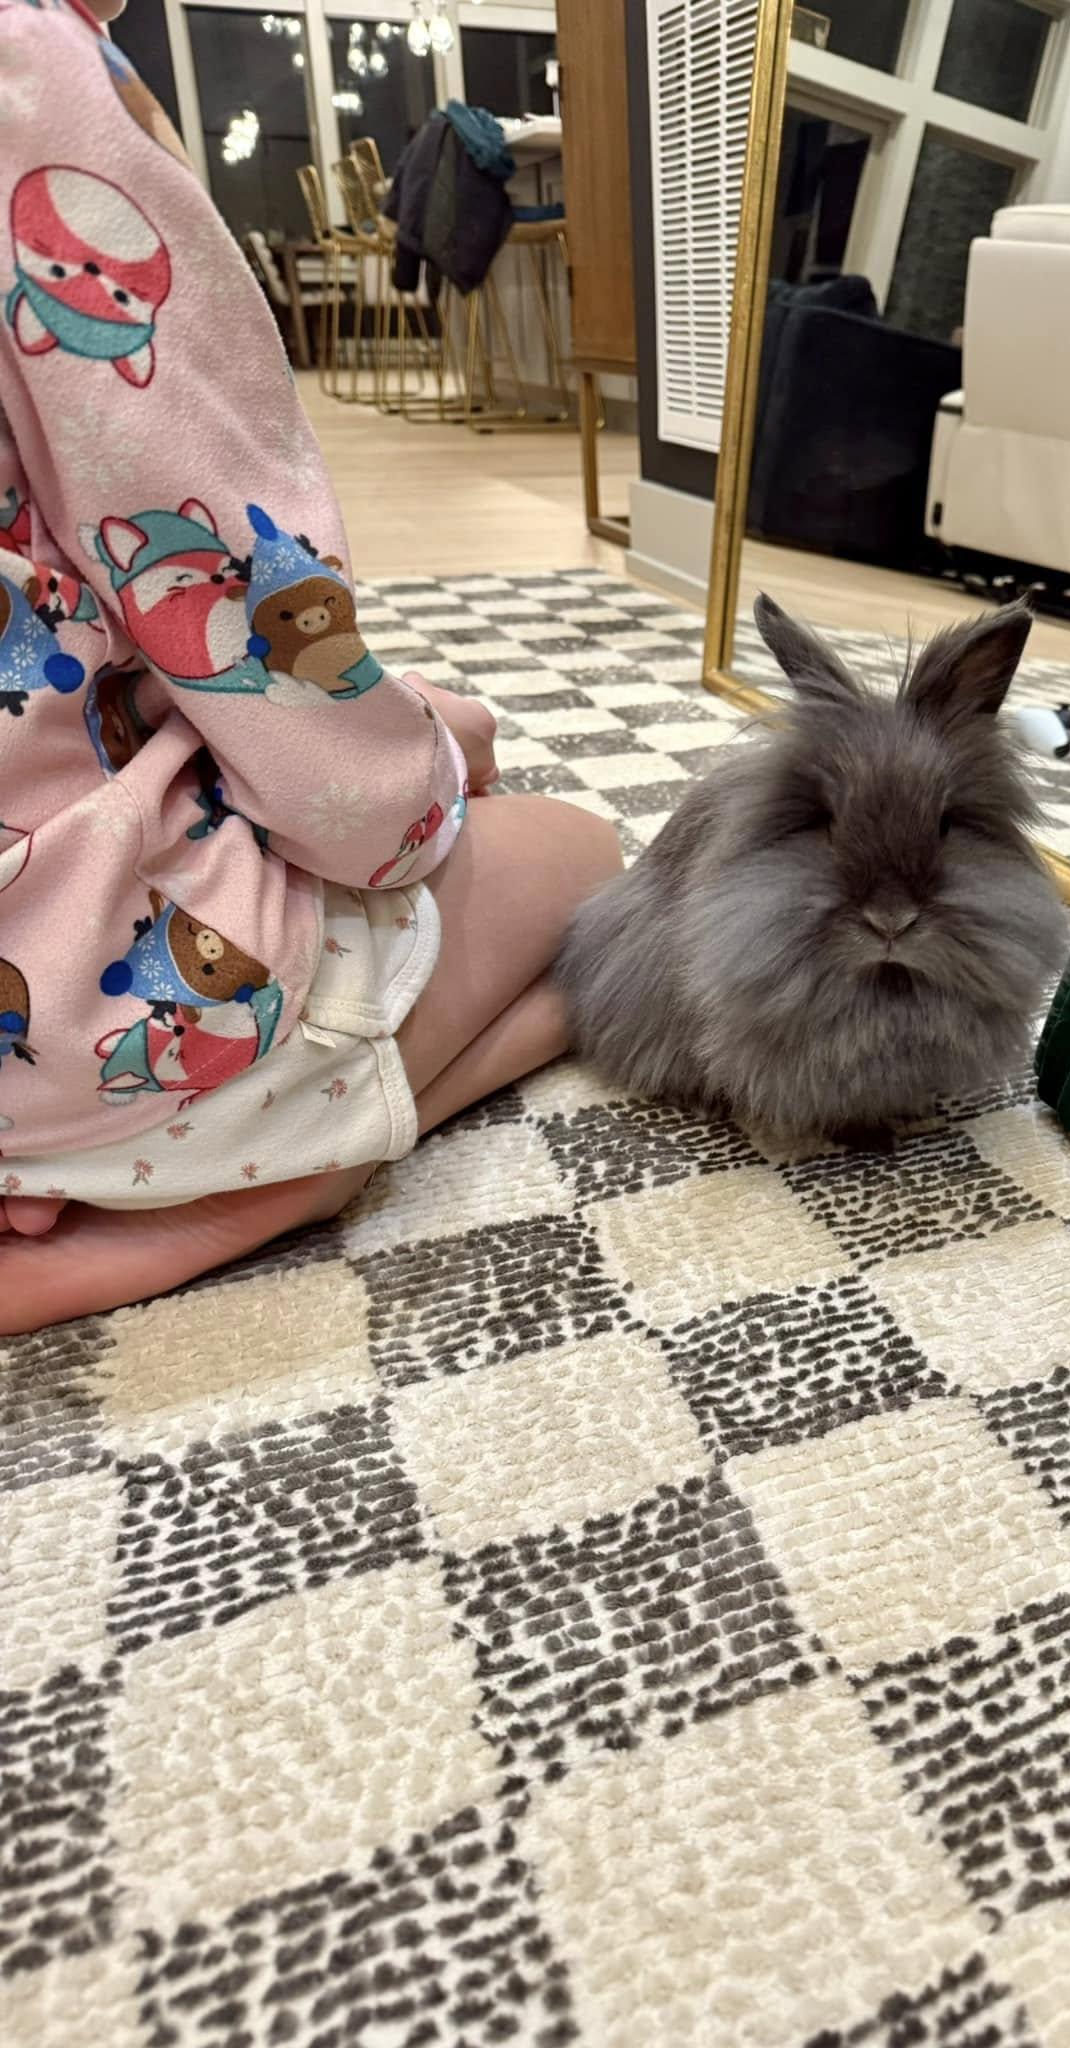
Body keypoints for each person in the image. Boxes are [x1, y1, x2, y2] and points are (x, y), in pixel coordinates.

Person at [0, 0, 622, 1335]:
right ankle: (204, 1200)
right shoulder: (25, 78)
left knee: (450, 756)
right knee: (592, 867)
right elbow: (219, 582)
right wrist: (424, 787)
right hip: (55, 994)